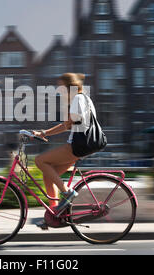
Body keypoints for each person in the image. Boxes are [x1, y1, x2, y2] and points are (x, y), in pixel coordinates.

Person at [32, 72, 97, 227]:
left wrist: (44, 133)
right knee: (48, 175)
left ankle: (67, 193)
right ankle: (55, 214)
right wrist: (44, 133)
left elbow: (67, 125)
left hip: (77, 146)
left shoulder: (78, 99)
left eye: (61, 87)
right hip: (82, 146)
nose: (59, 90)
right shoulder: (83, 99)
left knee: (39, 160)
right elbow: (69, 124)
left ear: (69, 87)